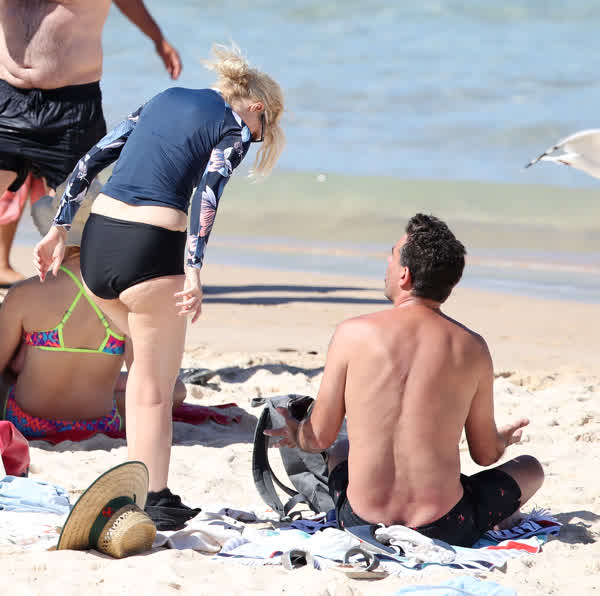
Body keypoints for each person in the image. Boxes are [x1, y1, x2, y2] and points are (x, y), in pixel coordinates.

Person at [34, 43, 285, 529]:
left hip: (98, 247)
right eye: (260, 133)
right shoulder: (234, 124)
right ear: (256, 106)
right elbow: (207, 193)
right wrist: (194, 268)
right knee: (154, 389)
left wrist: (59, 227)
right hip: (150, 251)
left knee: (143, 371)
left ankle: (143, 486)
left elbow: (93, 158)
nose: (253, 140)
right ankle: (154, 500)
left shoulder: (163, 98)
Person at [266, 214, 545, 547]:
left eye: (392, 256)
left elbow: (318, 439)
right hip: (446, 526)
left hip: (358, 521)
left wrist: (296, 432)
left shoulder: (352, 333)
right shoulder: (473, 347)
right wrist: (501, 440)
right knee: (531, 468)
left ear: (405, 274)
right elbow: (485, 455)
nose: (387, 263)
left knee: (341, 448)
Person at [0, 0, 182, 287]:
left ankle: (76, 294)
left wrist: (157, 38)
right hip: (7, 96)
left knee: (73, 219)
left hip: (71, 107)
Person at [0, 188, 186, 440]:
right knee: (176, 388)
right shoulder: (128, 294)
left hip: (28, 422)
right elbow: (141, 375)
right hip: (101, 424)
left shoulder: (25, 292)